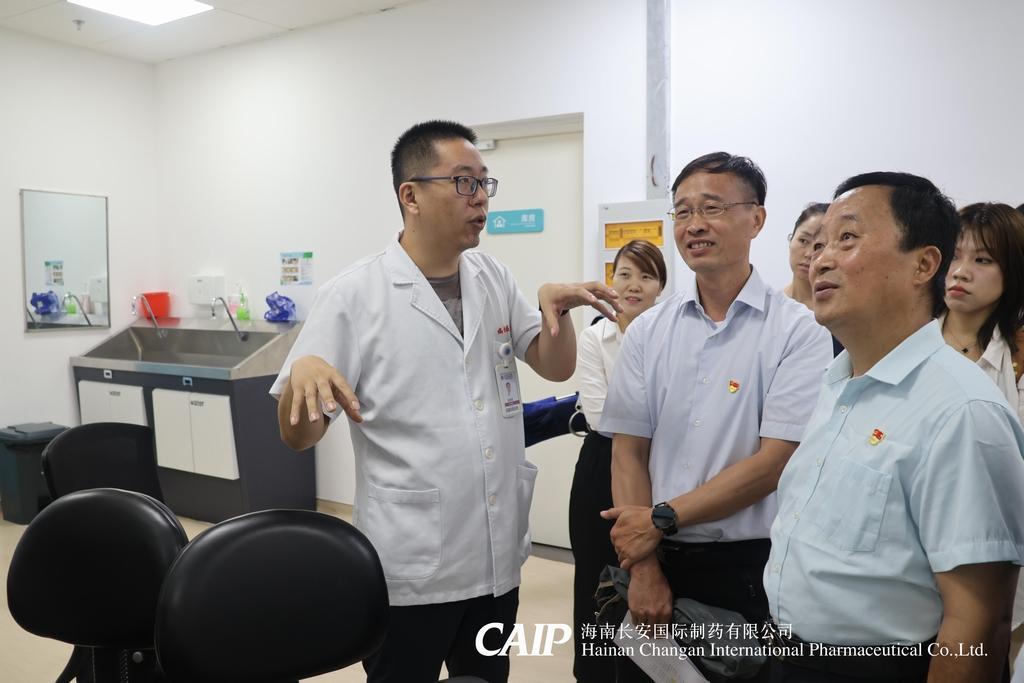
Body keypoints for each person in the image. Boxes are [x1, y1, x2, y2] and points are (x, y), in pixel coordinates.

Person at [270, 120, 621, 683]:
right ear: (410, 195)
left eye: (484, 182)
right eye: (463, 182)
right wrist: (301, 377)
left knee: (486, 678)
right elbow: (298, 436)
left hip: (496, 557)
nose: (480, 197)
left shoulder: (492, 275)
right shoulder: (355, 294)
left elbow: (553, 364)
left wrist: (555, 314)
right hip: (411, 568)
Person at [763, 173, 1024, 682]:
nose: (821, 259)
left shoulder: (962, 411)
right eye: (818, 244)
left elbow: (975, 623)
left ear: (923, 265)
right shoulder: (837, 383)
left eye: (847, 238)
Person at [598, 152, 833, 682]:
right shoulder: (648, 330)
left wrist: (661, 518)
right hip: (653, 556)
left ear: (756, 219)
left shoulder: (799, 332)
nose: (694, 225)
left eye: (711, 208)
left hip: (749, 569)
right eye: (682, 212)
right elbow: (628, 451)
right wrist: (644, 566)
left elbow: (775, 462)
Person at [569, 239, 667, 682]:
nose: (634, 285)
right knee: (594, 578)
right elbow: (598, 415)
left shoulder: (672, 336)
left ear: (660, 286)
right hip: (601, 465)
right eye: (625, 274)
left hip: (658, 468)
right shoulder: (595, 337)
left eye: (646, 276)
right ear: (612, 281)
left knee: (649, 576)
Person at [939, 202, 1024, 658]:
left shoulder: (1016, 358)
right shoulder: (905, 343)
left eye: (983, 259)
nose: (961, 271)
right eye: (954, 255)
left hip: (996, 561)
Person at [783, 202, 829, 309]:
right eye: (803, 241)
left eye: (819, 246)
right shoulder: (771, 304)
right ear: (791, 239)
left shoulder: (841, 310)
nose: (809, 254)